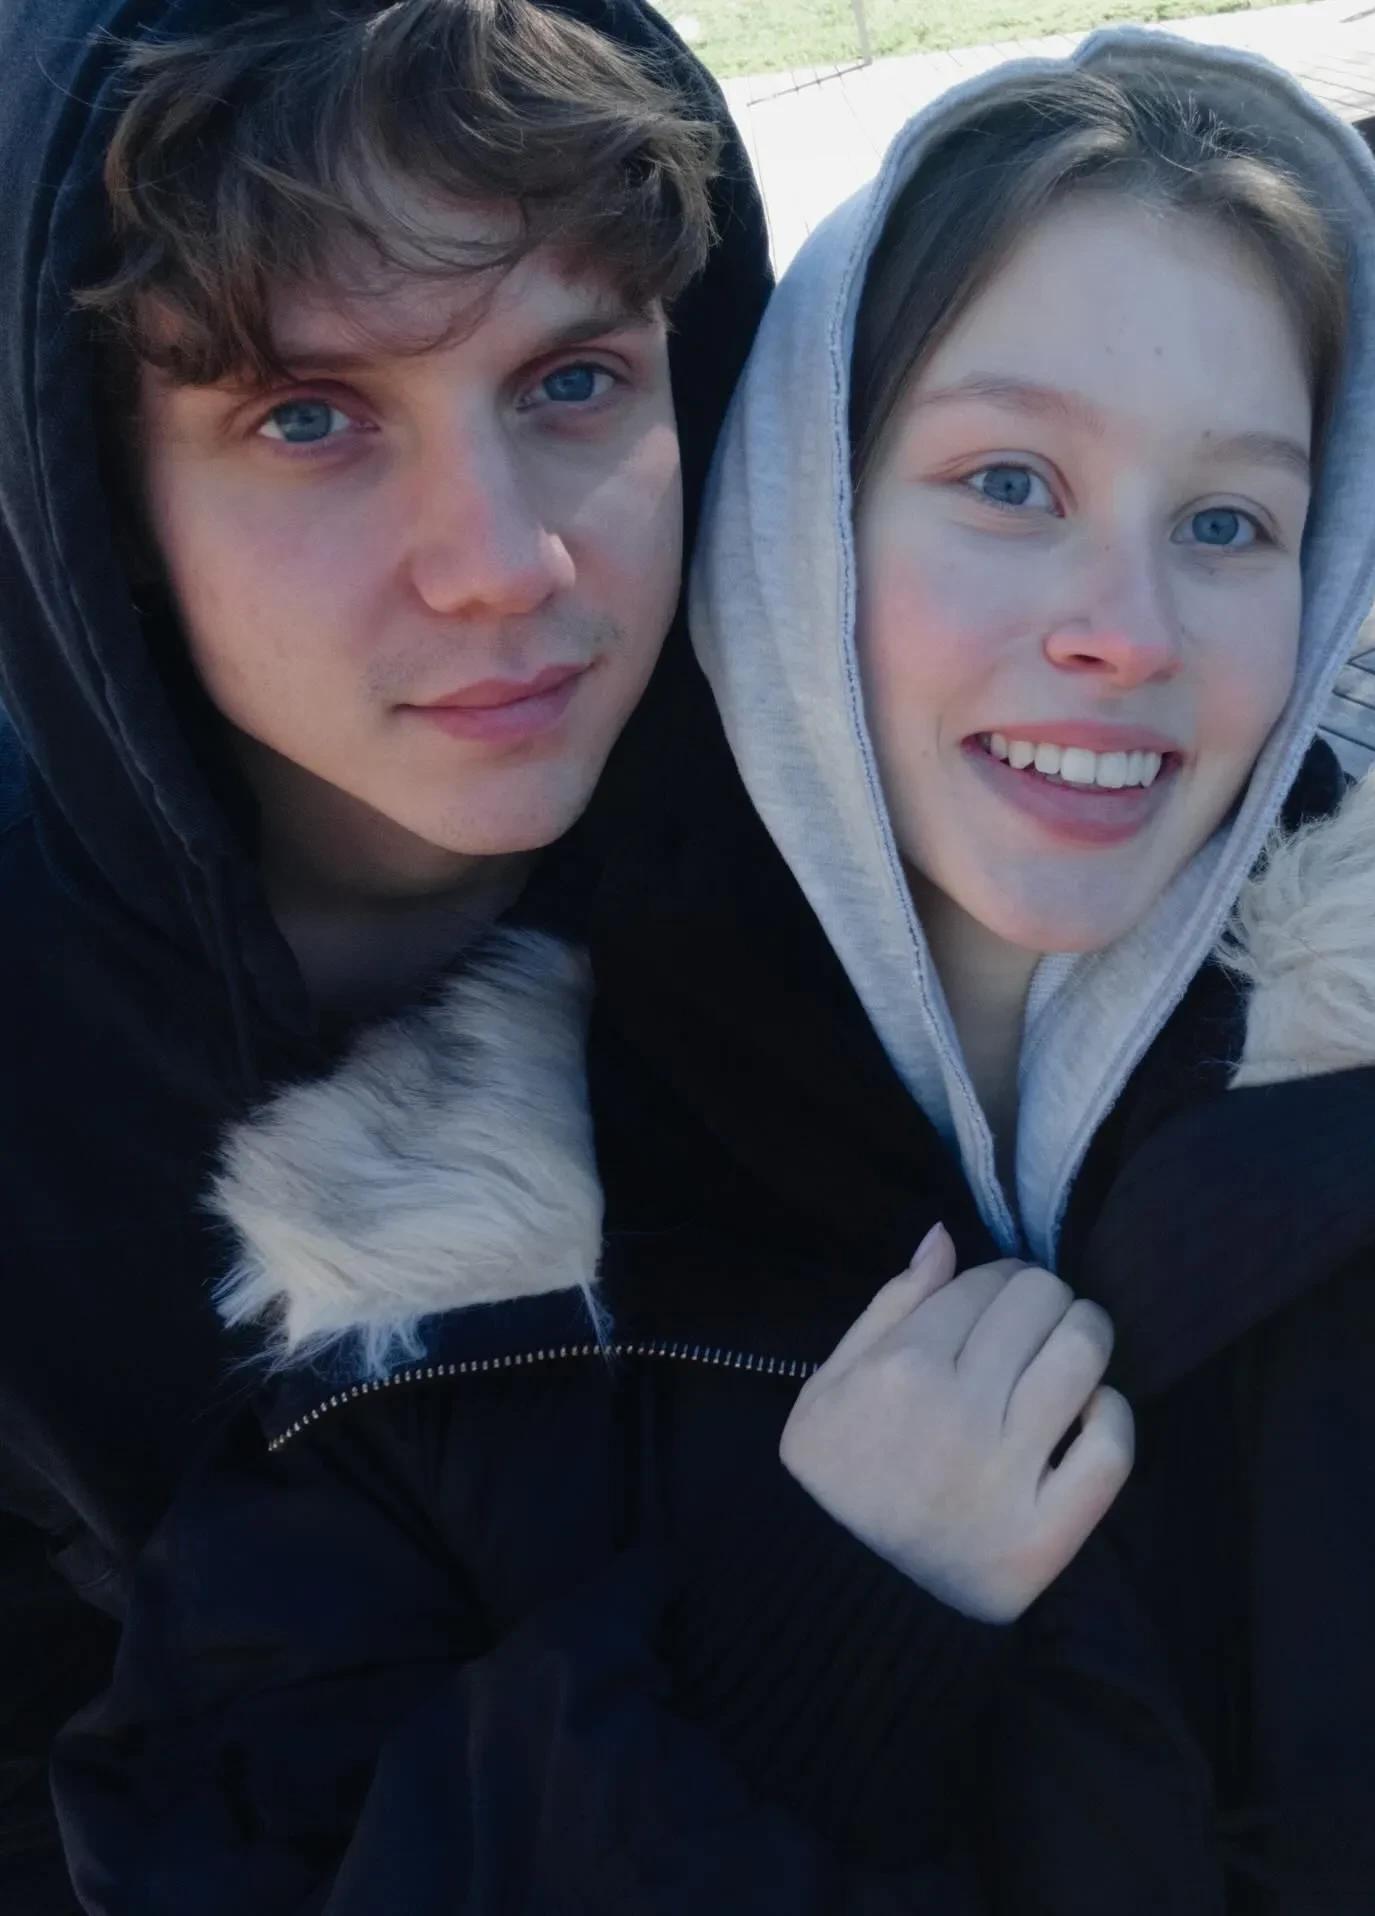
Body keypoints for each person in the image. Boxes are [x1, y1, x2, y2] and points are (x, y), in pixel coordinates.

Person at [53, 26, 1375, 1913]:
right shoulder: (422, 1310)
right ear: (798, 524)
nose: (1127, 630)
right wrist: (791, 1663)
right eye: (1007, 481)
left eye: (1228, 522)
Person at [0, 0, 768, 1906]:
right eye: (309, 416)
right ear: (104, 500)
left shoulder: (874, 880)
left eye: (573, 379)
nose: (501, 561)